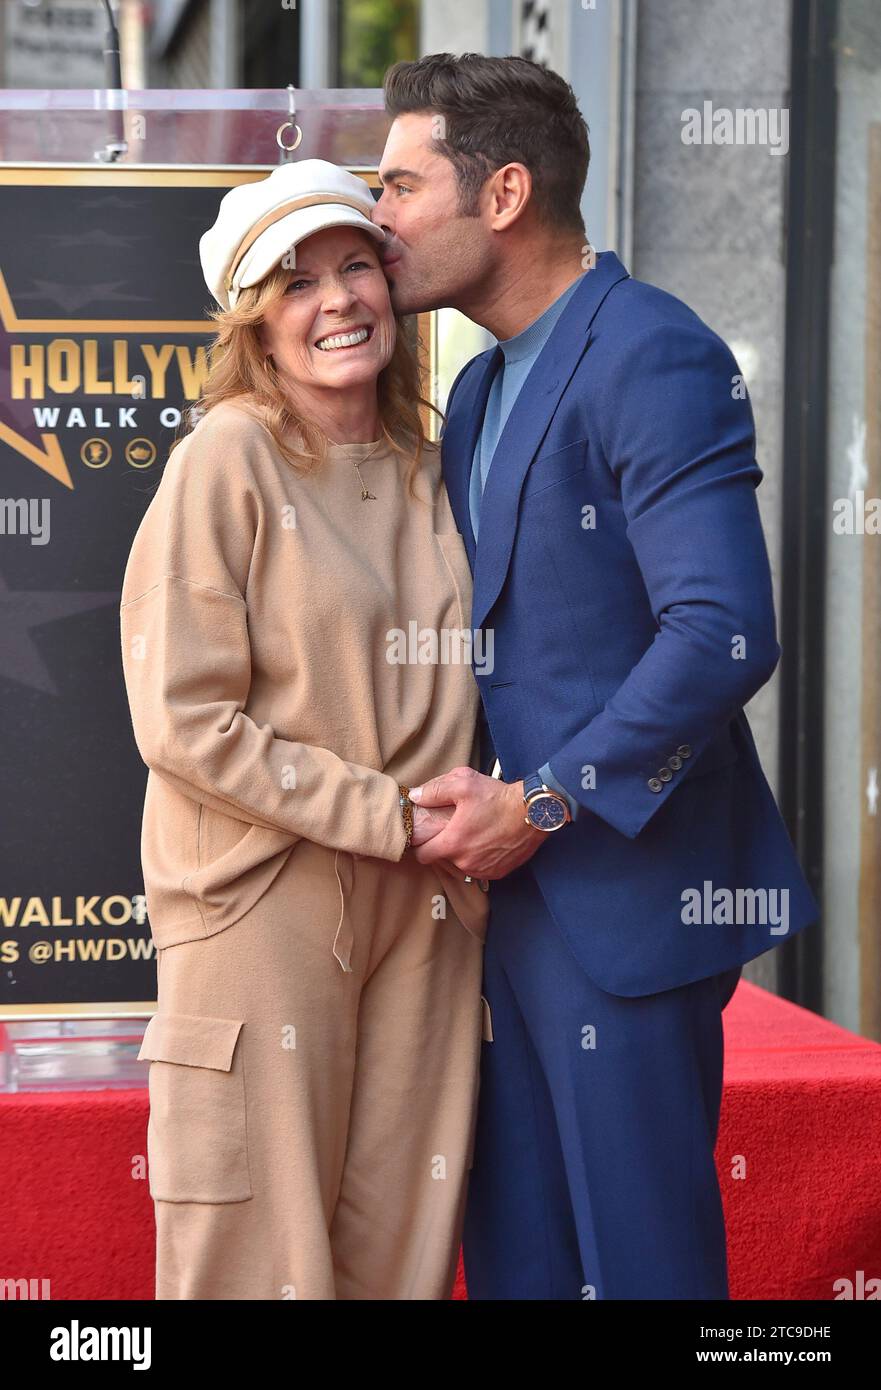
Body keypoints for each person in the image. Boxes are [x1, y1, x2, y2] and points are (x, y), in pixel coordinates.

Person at [373, 53, 820, 1300]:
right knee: (516, 1254)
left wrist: (545, 802)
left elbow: (723, 629)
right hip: (495, 913)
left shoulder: (654, 354)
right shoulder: (470, 389)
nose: (378, 218)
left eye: (400, 185)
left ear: (502, 192)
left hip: (630, 901)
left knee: (642, 1267)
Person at [119, 159, 489, 1300]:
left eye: (353, 267)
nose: (336, 300)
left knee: (402, 1252)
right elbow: (183, 715)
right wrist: (377, 811)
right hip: (265, 898)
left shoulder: (441, 468)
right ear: (255, 325)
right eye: (296, 283)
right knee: (255, 1264)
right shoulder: (225, 457)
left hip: (427, 907)